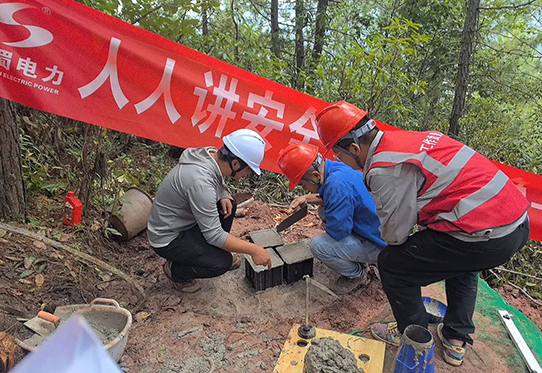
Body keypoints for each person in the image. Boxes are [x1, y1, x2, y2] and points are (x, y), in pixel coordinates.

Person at [315, 101, 530, 366]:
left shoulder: (383, 169)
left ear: (354, 148)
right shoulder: (405, 140)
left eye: (338, 155)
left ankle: (414, 338)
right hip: (514, 223)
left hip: (486, 235)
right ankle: (456, 340)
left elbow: (395, 237)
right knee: (463, 262)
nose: (340, 161)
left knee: (393, 265)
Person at [148, 128, 272, 293]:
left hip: (183, 222)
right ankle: (176, 271)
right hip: (168, 238)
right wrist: (254, 250)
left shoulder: (210, 154)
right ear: (235, 163)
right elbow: (214, 235)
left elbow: (215, 182)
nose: (248, 173)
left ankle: (207, 251)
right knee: (221, 263)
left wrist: (223, 194)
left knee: (228, 204)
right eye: (248, 169)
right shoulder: (200, 183)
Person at [277, 143, 386, 292]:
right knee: (323, 210)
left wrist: (331, 224)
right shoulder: (337, 169)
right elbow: (333, 195)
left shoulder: (336, 185)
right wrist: (307, 198)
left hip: (380, 246)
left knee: (319, 246)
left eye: (303, 185)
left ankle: (356, 274)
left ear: (315, 176)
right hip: (378, 228)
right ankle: (356, 256)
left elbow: (338, 232)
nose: (304, 189)